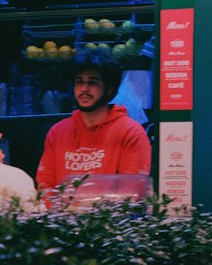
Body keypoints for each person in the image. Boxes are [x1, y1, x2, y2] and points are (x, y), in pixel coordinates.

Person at [36, 52, 151, 194]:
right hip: (62, 216)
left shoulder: (131, 133)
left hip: (109, 216)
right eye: (79, 82)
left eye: (92, 82)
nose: (84, 89)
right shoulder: (57, 132)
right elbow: (45, 187)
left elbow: (131, 194)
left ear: (109, 89)